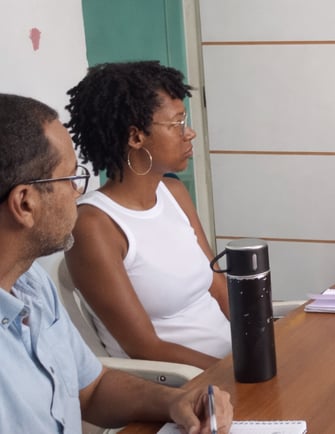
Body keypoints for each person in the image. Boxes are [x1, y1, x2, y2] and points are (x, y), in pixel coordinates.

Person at [0, 93, 232, 433]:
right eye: (70, 178)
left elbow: (91, 390)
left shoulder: (31, 284)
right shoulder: (96, 224)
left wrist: (174, 401)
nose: (78, 192)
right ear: (25, 203)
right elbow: (143, 346)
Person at [64, 61, 231, 369]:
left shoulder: (174, 192)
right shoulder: (94, 226)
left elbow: (219, 287)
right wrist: (231, 375)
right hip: (186, 384)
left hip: (233, 362)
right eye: (177, 123)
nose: (189, 133)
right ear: (136, 137)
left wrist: (262, 346)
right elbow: (145, 348)